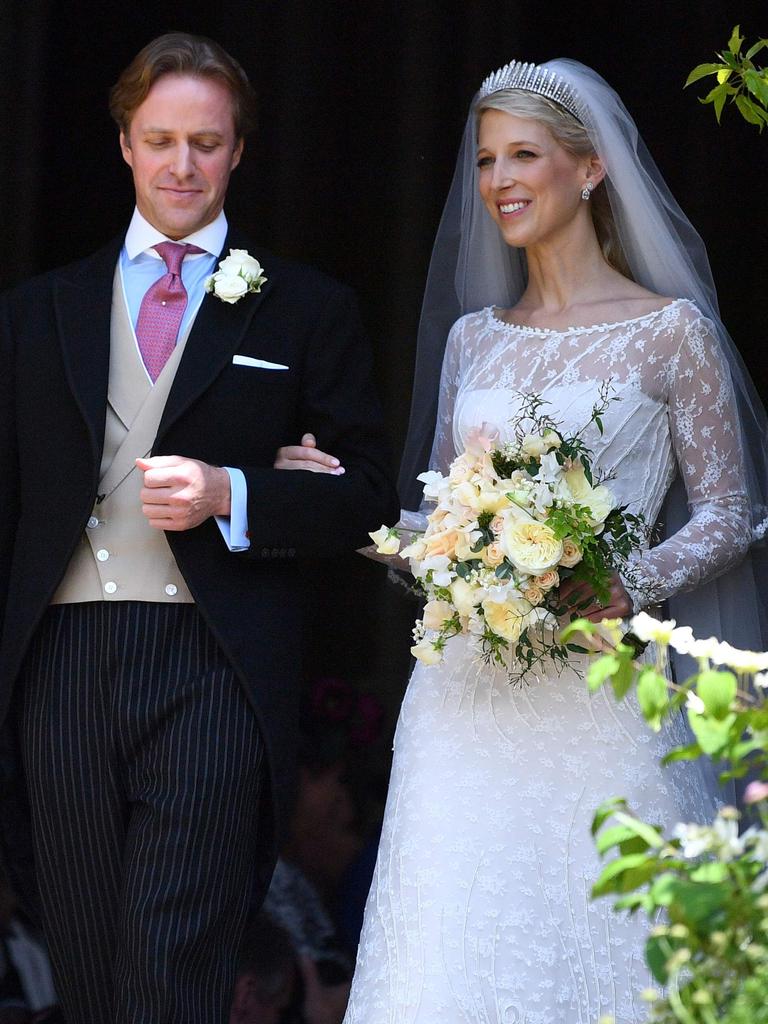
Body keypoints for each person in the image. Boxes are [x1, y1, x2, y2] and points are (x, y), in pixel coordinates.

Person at [282, 59, 768, 1021]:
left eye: (523, 157)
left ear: (590, 168)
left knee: (607, 948)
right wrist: (348, 507)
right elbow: (439, 522)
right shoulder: (475, 339)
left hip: (600, 692)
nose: (499, 181)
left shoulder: (671, 333)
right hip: (460, 704)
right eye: (485, 161)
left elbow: (732, 511)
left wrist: (623, 582)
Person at [0, 32, 397, 1024]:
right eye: (162, 139)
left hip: (213, 660)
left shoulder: (305, 310)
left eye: (207, 143)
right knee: (87, 976)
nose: (184, 164)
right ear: (125, 144)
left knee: (171, 973)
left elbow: (369, 499)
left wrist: (237, 490)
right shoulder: (34, 313)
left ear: (240, 152)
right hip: (63, 657)